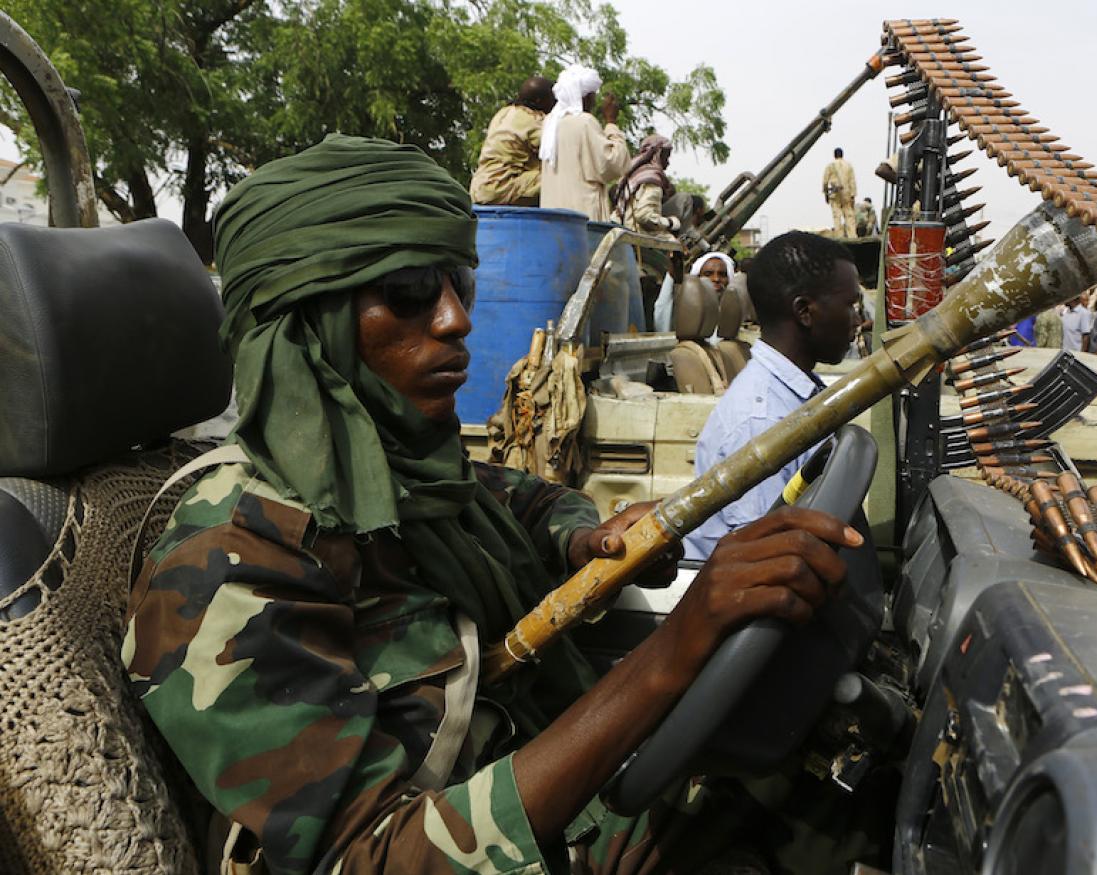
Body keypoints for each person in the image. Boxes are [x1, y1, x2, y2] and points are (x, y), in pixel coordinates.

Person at [124, 135, 864, 875]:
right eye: (411, 291)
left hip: (579, 801)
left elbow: (522, 498)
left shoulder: (402, 473)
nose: (455, 320)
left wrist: (587, 539)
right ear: (307, 325)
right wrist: (675, 652)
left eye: (461, 285)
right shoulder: (233, 561)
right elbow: (368, 858)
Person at [684, 232, 862, 559]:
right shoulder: (762, 421)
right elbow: (765, 559)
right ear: (805, 311)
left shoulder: (798, 392)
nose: (858, 319)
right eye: (849, 305)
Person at [540, 64, 629, 221]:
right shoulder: (584, 122)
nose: (594, 102)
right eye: (592, 96)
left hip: (552, 218)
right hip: (581, 218)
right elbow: (613, 164)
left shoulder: (550, 123)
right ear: (585, 97)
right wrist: (611, 122)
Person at [469, 76, 555, 206]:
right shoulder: (533, 120)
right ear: (539, 101)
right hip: (502, 187)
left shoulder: (503, 113)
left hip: (480, 187)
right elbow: (557, 148)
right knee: (561, 178)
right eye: (553, 99)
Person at [611, 133, 680, 239]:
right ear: (658, 155)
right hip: (640, 238)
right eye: (666, 157)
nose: (668, 163)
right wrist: (670, 222)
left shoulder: (633, 176)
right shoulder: (652, 179)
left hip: (622, 233)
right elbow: (644, 216)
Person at [822, 147, 857, 237]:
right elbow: (852, 181)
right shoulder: (849, 165)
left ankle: (839, 235)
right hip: (847, 192)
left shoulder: (830, 165)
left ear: (834, 155)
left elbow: (825, 181)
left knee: (837, 215)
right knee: (849, 215)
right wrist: (853, 194)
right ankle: (852, 235)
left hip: (834, 192)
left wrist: (826, 194)